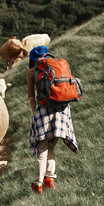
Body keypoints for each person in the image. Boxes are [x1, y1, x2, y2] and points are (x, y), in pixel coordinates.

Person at [27, 46, 78, 194]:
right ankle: (49, 180)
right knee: (51, 147)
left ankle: (37, 184)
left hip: (44, 111)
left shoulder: (32, 72)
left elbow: (31, 98)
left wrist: (35, 114)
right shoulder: (59, 64)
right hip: (62, 111)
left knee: (42, 149)